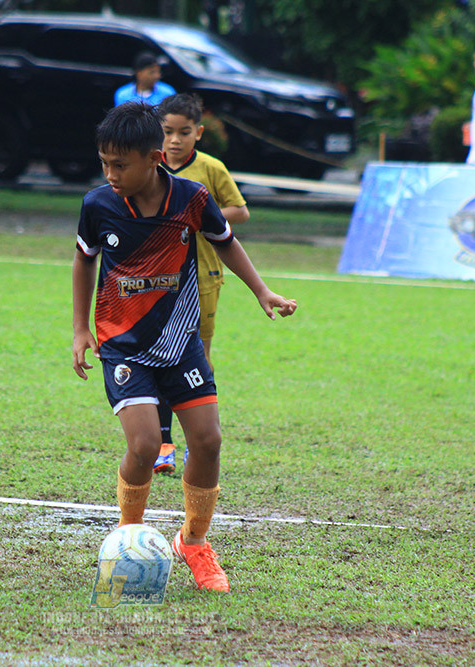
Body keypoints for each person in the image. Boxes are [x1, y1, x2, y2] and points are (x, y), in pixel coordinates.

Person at [72, 102, 296, 592]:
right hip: (123, 345)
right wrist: (79, 328)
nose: (110, 175)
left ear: (154, 159)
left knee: (209, 441)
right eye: (104, 163)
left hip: (181, 341)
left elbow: (225, 240)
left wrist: (261, 290)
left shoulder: (192, 198)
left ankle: (193, 542)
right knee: (145, 445)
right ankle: (129, 539)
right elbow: (85, 259)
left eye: (120, 165)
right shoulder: (98, 204)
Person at [151, 93, 250, 474]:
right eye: (167, 132)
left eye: (184, 132)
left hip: (203, 276)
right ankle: (163, 442)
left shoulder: (210, 168)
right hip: (157, 279)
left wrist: (199, 215)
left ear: (199, 133)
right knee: (157, 356)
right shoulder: (149, 166)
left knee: (197, 358)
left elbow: (239, 211)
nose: (175, 140)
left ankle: (197, 441)